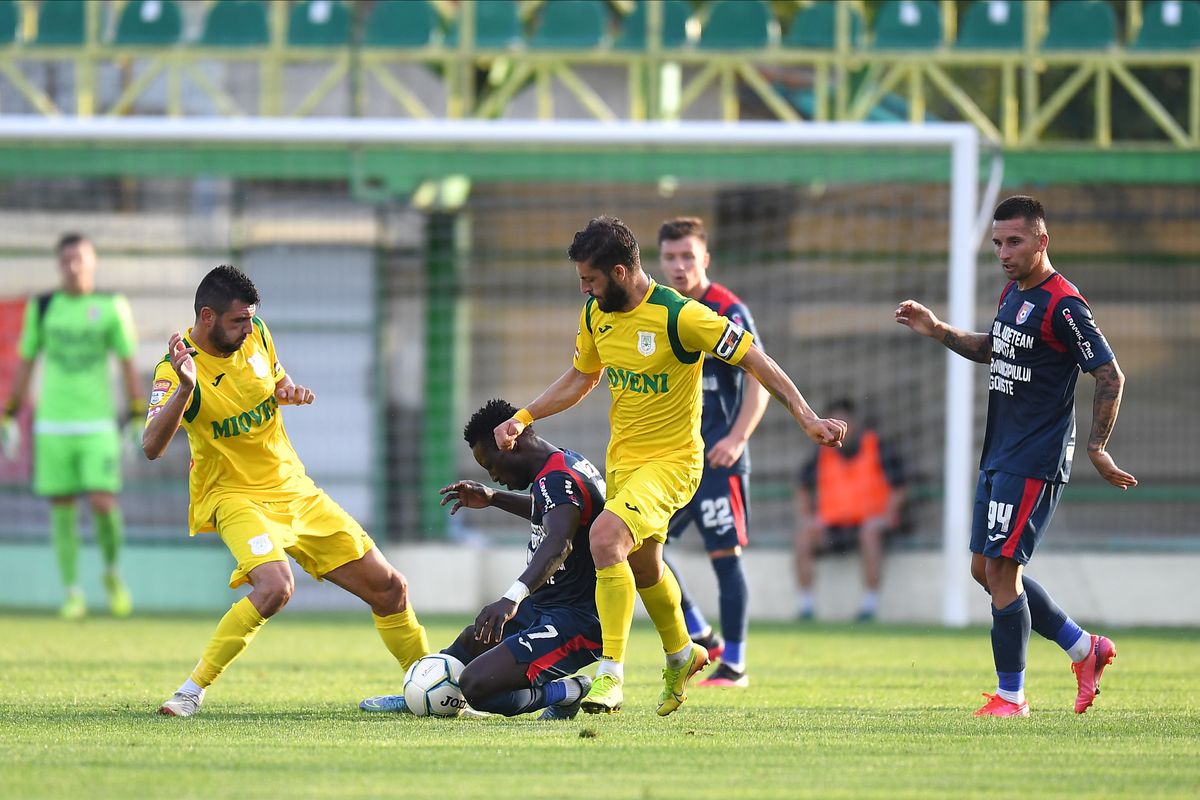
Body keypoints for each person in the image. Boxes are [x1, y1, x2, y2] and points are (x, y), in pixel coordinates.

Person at [493, 216, 846, 716]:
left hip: (674, 463)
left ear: (619, 272)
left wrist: (806, 417)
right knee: (644, 565)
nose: (584, 288)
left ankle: (610, 676)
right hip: (624, 462)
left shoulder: (682, 317)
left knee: (604, 538)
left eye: (590, 279)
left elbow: (755, 359)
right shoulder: (596, 315)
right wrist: (524, 416)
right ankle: (682, 654)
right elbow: (581, 377)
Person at [143, 264, 429, 717]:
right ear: (207, 316)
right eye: (237, 320)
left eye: (250, 318)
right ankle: (190, 691)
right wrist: (184, 389)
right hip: (233, 496)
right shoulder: (175, 368)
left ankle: (428, 689)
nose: (247, 327)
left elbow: (274, 379)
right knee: (276, 587)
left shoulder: (255, 332)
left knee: (391, 588)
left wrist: (288, 390)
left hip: (294, 489)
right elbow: (151, 447)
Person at [895, 195, 1135, 717]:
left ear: (1042, 241)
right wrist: (939, 330)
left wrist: (1097, 446)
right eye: (999, 243)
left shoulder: (1064, 305)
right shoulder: (1014, 292)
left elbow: (1109, 373)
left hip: (1036, 456)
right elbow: (994, 347)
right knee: (986, 570)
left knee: (1002, 572)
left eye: (1015, 242)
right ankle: (1083, 648)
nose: (1004, 251)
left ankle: (1012, 697)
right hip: (1002, 451)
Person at [361, 398, 604, 720]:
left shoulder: (557, 478)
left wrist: (510, 598)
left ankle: (568, 691)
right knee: (471, 640)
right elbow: (552, 512)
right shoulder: (561, 464)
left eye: (491, 465)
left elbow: (560, 542)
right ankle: (422, 693)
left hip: (576, 620)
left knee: (479, 687)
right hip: (548, 605)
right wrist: (494, 498)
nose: (494, 476)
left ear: (511, 444)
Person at [0, 233, 139, 619]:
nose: (73, 266)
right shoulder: (44, 308)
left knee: (102, 501)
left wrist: (137, 413)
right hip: (53, 425)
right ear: (58, 265)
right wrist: (9, 415)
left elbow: (128, 362)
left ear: (93, 262)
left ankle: (111, 571)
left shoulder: (111, 306)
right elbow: (26, 362)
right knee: (61, 509)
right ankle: (72, 593)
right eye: (66, 260)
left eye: (79, 258)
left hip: (97, 424)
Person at [656, 217, 769, 688]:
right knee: (644, 547)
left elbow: (760, 377)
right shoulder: (659, 309)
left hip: (719, 459)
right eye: (670, 257)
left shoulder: (727, 310)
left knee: (725, 557)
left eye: (688, 256)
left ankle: (735, 665)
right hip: (674, 460)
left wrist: (737, 437)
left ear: (705, 259)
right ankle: (703, 633)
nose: (679, 266)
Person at [794, 397, 907, 622]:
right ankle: (806, 605)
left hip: (870, 523)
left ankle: (869, 605)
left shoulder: (877, 446)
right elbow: (802, 486)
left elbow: (900, 487)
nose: (840, 428)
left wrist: (886, 516)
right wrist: (807, 517)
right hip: (833, 525)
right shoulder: (822, 451)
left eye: (844, 421)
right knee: (804, 537)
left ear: (854, 422)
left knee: (869, 533)